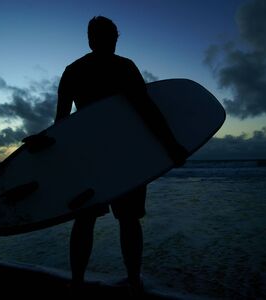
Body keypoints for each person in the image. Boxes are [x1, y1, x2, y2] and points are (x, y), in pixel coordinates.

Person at [55, 16, 187, 294]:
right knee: (125, 220)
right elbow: (147, 110)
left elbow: (62, 125)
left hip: (90, 155)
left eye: (112, 38)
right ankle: (133, 280)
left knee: (89, 220)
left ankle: (79, 282)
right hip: (125, 155)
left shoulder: (74, 70)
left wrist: (49, 147)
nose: (110, 43)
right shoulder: (122, 67)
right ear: (95, 40)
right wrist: (170, 144)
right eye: (109, 38)